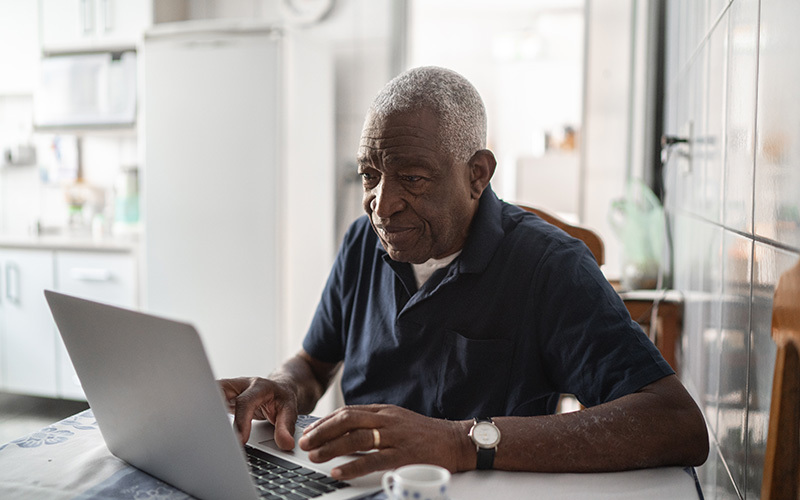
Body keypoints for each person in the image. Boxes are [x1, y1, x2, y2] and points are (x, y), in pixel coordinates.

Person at [220, 66, 708, 481]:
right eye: (370, 175)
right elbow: (314, 363)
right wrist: (284, 384)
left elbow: (677, 423)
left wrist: (461, 442)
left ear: (478, 174)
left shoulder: (549, 266)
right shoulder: (362, 243)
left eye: (412, 178)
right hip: (359, 486)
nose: (382, 206)